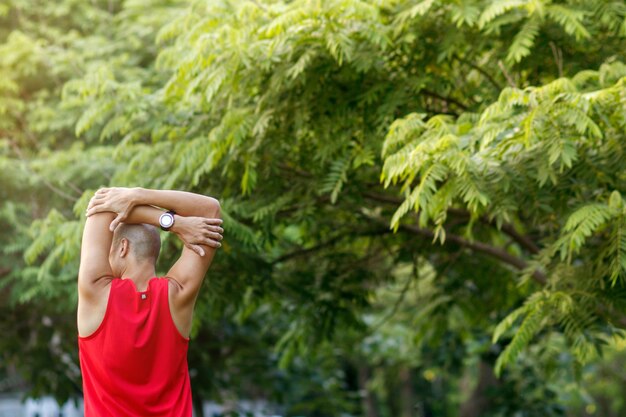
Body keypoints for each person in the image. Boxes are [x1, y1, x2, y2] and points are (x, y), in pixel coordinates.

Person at [78, 187, 224, 416]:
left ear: (123, 247)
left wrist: (171, 223)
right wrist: (140, 196)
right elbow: (211, 209)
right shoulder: (178, 294)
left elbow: (100, 207)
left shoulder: (95, 292)